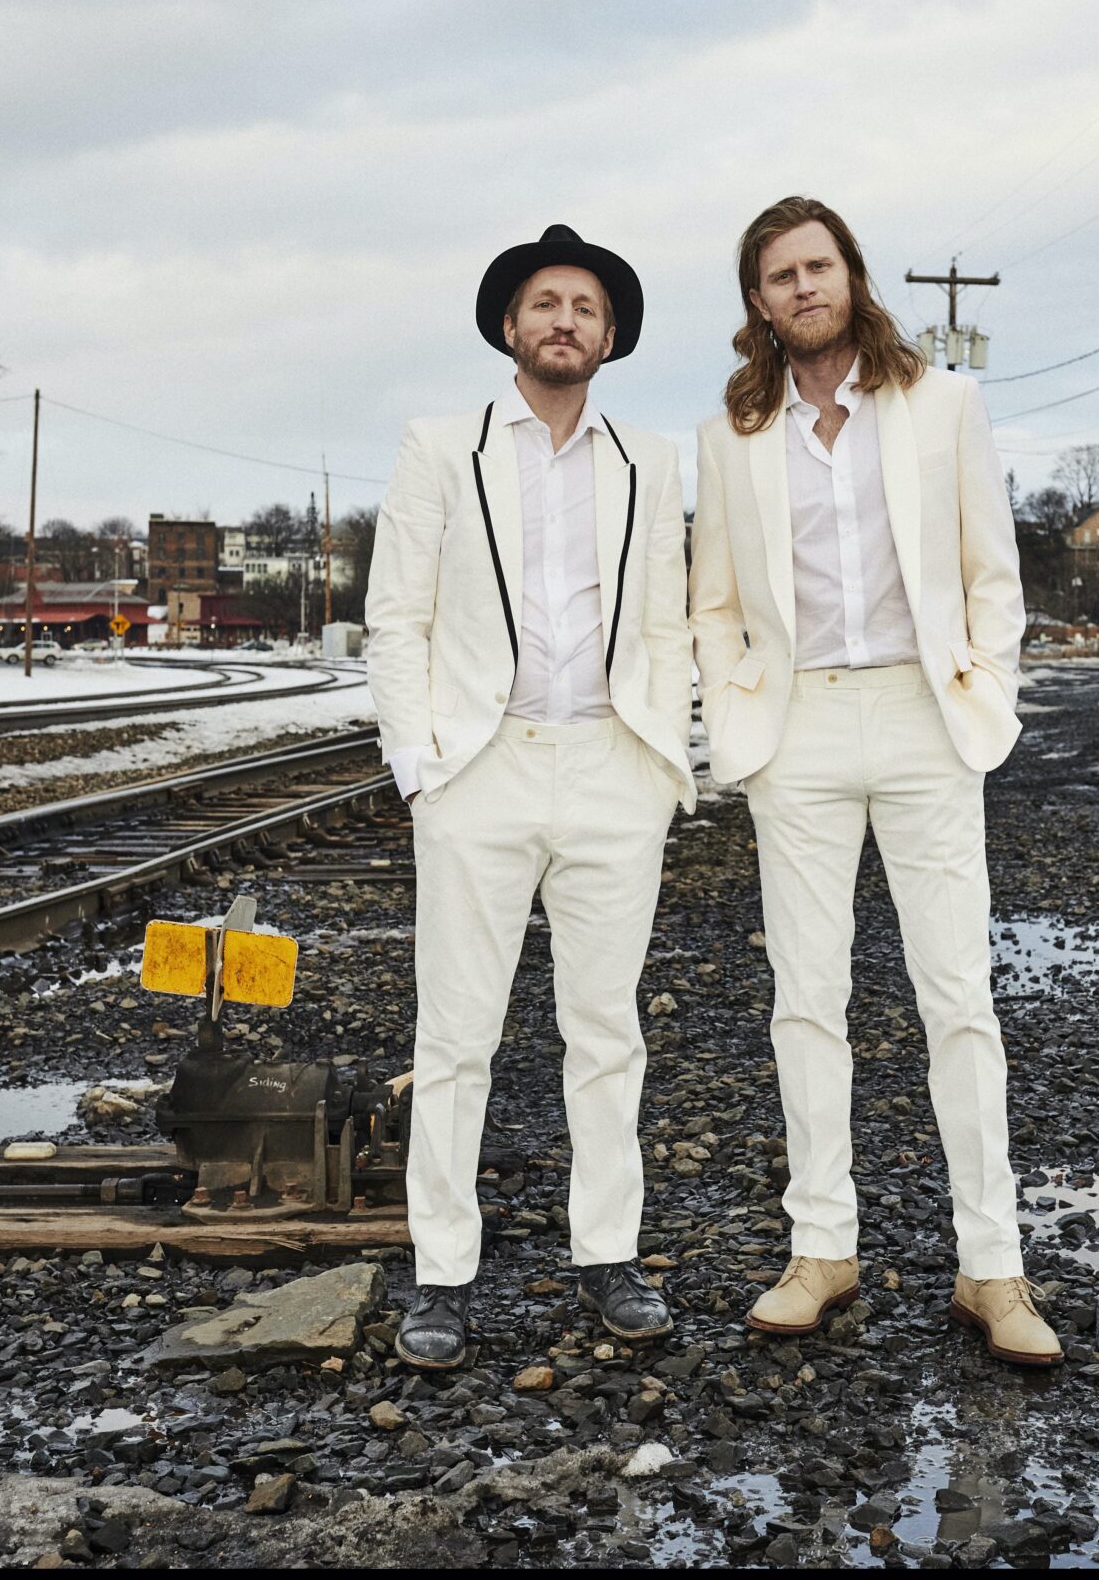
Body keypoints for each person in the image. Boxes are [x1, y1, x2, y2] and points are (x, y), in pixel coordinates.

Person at [689, 196, 1060, 1367]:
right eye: (778, 275)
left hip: (918, 716)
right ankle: (822, 1252)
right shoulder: (731, 435)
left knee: (957, 996)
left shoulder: (942, 402)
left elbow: (989, 570)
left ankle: (992, 1271)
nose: (802, 287)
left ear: (850, 276)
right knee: (807, 998)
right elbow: (711, 602)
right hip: (794, 728)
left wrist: (983, 689)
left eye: (818, 265)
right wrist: (733, 696)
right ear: (757, 301)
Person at [365, 224, 694, 1369]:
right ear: (510, 325)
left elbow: (665, 618)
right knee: (457, 1034)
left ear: (610, 338)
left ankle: (609, 1256)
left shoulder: (651, 459)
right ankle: (442, 1274)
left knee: (604, 1030)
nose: (565, 320)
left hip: (612, 766)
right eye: (545, 303)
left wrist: (662, 758)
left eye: (587, 308)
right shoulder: (438, 447)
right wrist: (420, 764)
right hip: (480, 767)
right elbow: (396, 616)